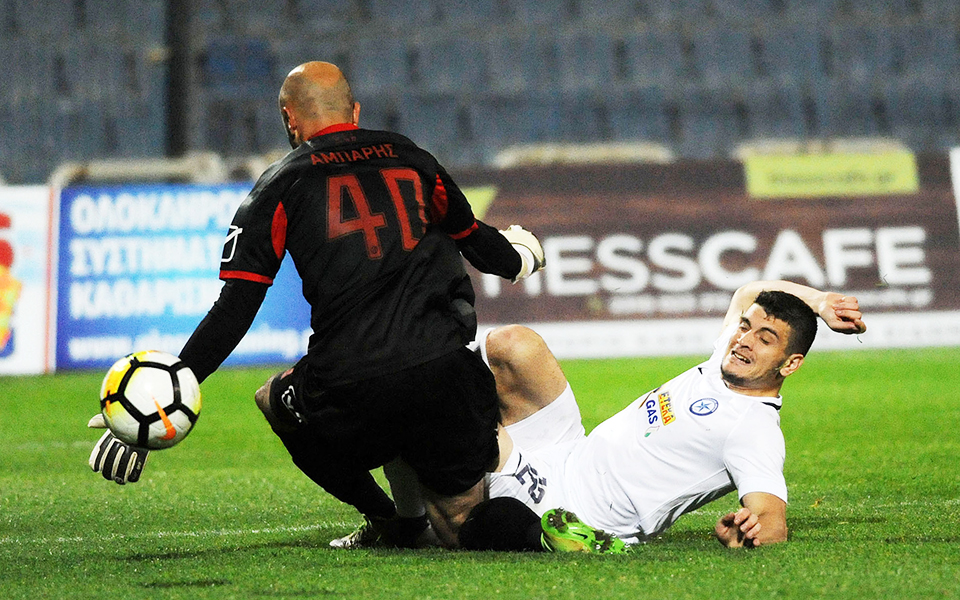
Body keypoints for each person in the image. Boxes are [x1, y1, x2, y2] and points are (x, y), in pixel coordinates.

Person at [88, 61, 545, 549]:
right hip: (443, 375)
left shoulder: (279, 185)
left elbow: (235, 308)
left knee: (273, 399)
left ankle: (388, 518)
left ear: (289, 118)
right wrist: (521, 258)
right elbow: (478, 242)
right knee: (460, 527)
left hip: (350, 390)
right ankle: (539, 520)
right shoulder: (412, 158)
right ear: (355, 110)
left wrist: (154, 401)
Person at [332, 280, 865, 552]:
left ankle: (415, 529)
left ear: (791, 364)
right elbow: (749, 293)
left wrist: (751, 531)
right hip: (566, 450)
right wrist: (817, 301)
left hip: (574, 509)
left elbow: (771, 517)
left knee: (424, 425)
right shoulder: (724, 359)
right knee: (513, 344)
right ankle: (425, 516)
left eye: (764, 338)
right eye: (745, 328)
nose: (743, 339)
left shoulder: (753, 430)